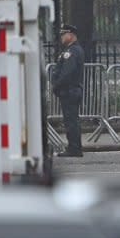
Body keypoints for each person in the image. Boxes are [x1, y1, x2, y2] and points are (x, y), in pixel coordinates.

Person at [52, 24, 85, 157]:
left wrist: (56, 85)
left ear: (70, 35)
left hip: (69, 90)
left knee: (71, 121)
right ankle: (74, 146)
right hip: (70, 90)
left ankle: (74, 148)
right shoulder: (72, 50)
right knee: (71, 120)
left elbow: (67, 73)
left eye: (63, 34)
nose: (61, 37)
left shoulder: (72, 52)